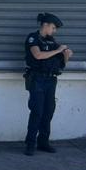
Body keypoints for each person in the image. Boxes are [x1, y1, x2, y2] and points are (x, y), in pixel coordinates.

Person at [23, 13, 72, 156]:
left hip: (51, 79)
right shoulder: (33, 38)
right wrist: (58, 50)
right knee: (37, 111)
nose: (54, 31)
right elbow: (37, 55)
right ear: (45, 25)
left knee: (48, 111)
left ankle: (43, 142)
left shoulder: (52, 42)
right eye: (53, 27)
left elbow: (62, 63)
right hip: (37, 79)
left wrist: (66, 54)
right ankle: (30, 143)